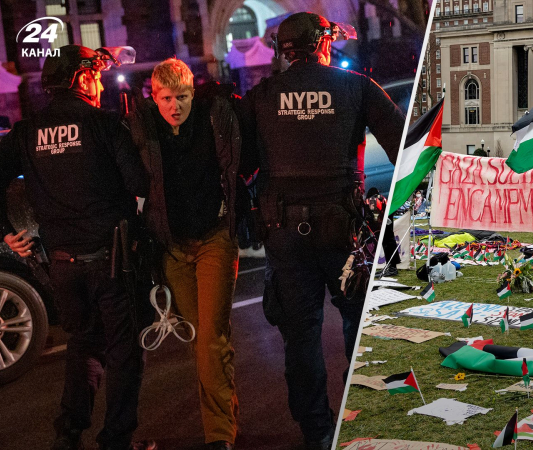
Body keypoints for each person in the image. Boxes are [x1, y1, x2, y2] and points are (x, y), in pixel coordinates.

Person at [238, 12, 404, 450]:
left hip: (283, 233)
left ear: (283, 50)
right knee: (356, 320)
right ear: (324, 43)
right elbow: (404, 145)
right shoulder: (356, 86)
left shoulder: (261, 96)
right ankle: (362, 416)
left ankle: (317, 433)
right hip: (343, 230)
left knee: (302, 335)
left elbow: (240, 167)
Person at [0, 45, 154, 450]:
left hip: (61, 265)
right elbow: (140, 184)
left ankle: (68, 436)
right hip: (112, 260)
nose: (100, 83)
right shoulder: (102, 124)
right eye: (96, 76)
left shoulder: (27, 131)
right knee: (123, 353)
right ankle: (116, 441)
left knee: (83, 344)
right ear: (83, 78)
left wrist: (4, 232)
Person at [126, 59, 241, 450]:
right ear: (154, 97)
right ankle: (226, 417)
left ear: (193, 93)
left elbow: (238, 162)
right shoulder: (144, 129)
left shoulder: (212, 119)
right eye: (167, 98)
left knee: (210, 338)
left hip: (214, 239)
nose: (175, 106)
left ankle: (219, 436)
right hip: (173, 247)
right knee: (201, 342)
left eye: (183, 97)